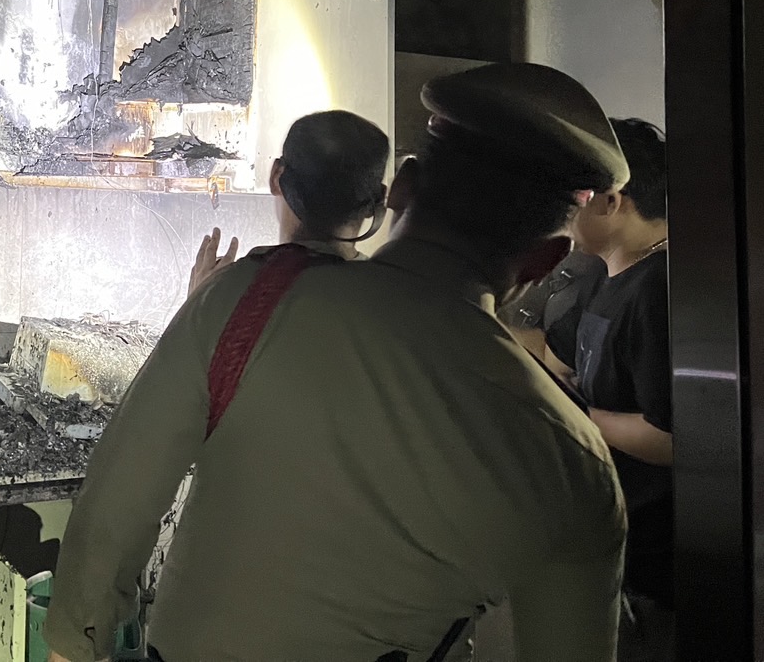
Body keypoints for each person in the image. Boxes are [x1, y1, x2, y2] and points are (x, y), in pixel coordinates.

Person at [44, 63, 630, 662]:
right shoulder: (571, 458)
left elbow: (117, 506)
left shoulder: (245, 301)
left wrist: (74, 643)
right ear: (547, 258)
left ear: (400, 188)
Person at [543, 118, 673, 659]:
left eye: (574, 198)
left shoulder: (656, 287)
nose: (563, 213)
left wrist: (579, 414)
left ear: (612, 201)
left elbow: (669, 438)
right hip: (612, 535)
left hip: (654, 558)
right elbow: (560, 361)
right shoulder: (604, 273)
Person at [187, 109, 389, 295]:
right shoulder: (383, 295)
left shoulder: (235, 293)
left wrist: (200, 299)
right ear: (377, 201)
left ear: (276, 176)